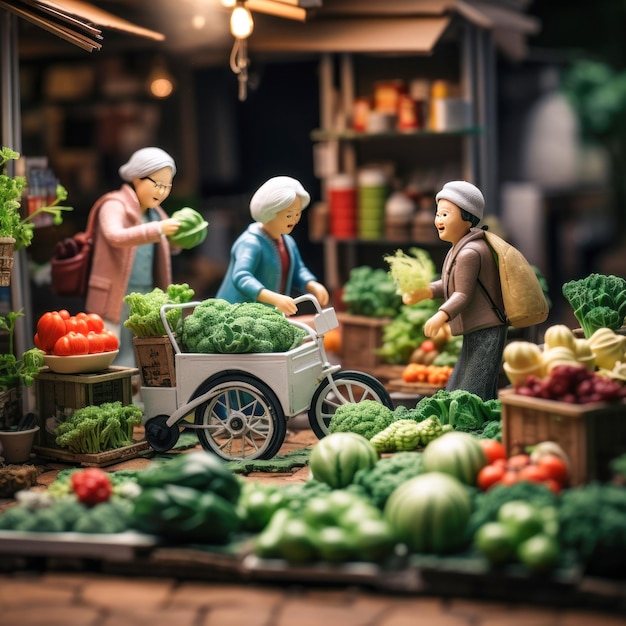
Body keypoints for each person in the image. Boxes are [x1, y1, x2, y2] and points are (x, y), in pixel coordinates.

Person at [402, 180, 507, 401]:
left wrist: (441, 315)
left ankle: (474, 427)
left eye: (445, 215)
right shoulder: (458, 248)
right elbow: (450, 284)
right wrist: (425, 292)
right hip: (476, 327)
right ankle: (476, 421)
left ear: (467, 217)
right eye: (438, 214)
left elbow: (462, 294)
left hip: (487, 328)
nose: (438, 220)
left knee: (473, 387)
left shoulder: (470, 252)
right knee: (460, 383)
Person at [85, 147, 181, 368]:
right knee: (114, 347)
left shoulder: (154, 212)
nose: (163, 192)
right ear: (138, 178)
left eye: (168, 186)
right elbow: (115, 236)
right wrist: (158, 229)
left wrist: (182, 237)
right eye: (158, 184)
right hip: (115, 293)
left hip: (147, 292)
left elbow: (168, 242)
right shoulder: (114, 204)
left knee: (146, 348)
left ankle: (141, 393)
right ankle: (119, 395)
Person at [216, 176, 329, 315]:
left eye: (297, 214)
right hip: (238, 314)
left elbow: (298, 271)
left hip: (269, 316)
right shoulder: (250, 243)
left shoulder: (288, 242)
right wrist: (274, 298)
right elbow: (241, 277)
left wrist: (311, 284)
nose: (294, 219)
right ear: (269, 212)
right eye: (288, 215)